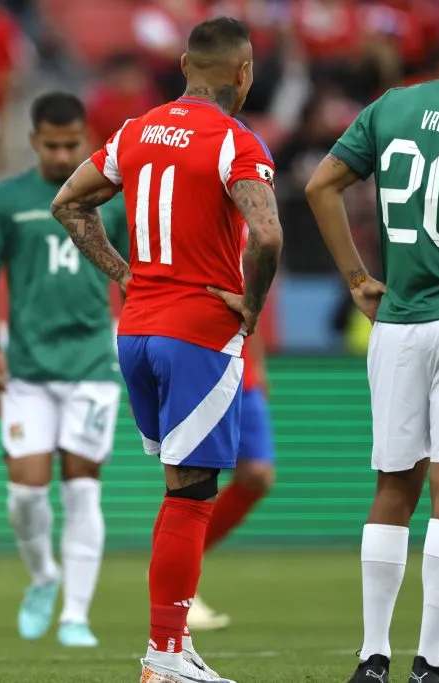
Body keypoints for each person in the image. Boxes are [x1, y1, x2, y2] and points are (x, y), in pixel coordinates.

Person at [51, 17, 283, 683]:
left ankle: (171, 650)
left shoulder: (137, 130)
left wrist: (123, 274)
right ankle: (165, 654)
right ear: (243, 74)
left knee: (181, 487)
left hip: (137, 330)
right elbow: (266, 236)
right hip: (198, 333)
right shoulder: (236, 141)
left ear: (184, 62)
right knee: (192, 495)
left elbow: (68, 203)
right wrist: (251, 304)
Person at [305, 39, 439, 683]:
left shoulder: (393, 105)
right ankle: (430, 663)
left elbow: (321, 185)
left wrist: (356, 279)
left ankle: (373, 659)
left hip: (397, 324)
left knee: (394, 487)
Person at [0, 92, 126, 648]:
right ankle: (44, 578)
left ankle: (75, 615)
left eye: (72, 144)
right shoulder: (7, 198)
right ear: (33, 140)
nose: (63, 155)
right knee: (27, 496)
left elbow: (135, 278)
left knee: (83, 491)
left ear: (86, 138)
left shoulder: (113, 198)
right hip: (27, 369)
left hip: (90, 364)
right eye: (52, 145)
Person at [188, 225, 276, 633]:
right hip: (202, 359)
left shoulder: (247, 225)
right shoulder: (195, 215)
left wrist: (259, 365)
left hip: (245, 368)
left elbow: (252, 300)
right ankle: (182, 591)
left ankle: (189, 560)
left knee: (257, 475)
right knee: (193, 478)